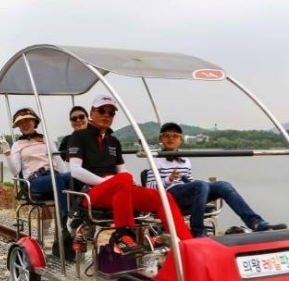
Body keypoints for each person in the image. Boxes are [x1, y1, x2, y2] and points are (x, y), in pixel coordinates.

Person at [67, 94, 194, 254]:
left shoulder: (114, 141)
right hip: (92, 193)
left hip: (118, 189)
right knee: (123, 179)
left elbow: (122, 170)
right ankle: (123, 235)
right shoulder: (78, 136)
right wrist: (109, 181)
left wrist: (129, 182)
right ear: (92, 112)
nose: (106, 115)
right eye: (102, 111)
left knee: (162, 196)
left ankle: (188, 245)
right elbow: (75, 170)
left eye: (111, 113)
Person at [144, 122, 287, 237]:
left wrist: (199, 184)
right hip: (169, 195)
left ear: (180, 139)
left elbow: (190, 183)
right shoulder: (156, 159)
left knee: (223, 185)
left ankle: (256, 223)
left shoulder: (185, 160)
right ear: (161, 139)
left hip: (187, 192)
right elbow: (149, 188)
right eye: (167, 135)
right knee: (201, 186)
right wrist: (169, 179)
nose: (171, 138)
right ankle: (197, 232)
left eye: (175, 136)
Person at [0, 108, 74, 260]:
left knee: (73, 176)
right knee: (58, 180)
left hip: (53, 177)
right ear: (18, 126)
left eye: (28, 120)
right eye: (21, 122)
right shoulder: (18, 145)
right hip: (35, 181)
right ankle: (67, 219)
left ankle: (80, 220)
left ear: (34, 122)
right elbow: (15, 171)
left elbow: (60, 164)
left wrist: (70, 177)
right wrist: (7, 152)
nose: (25, 124)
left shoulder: (46, 140)